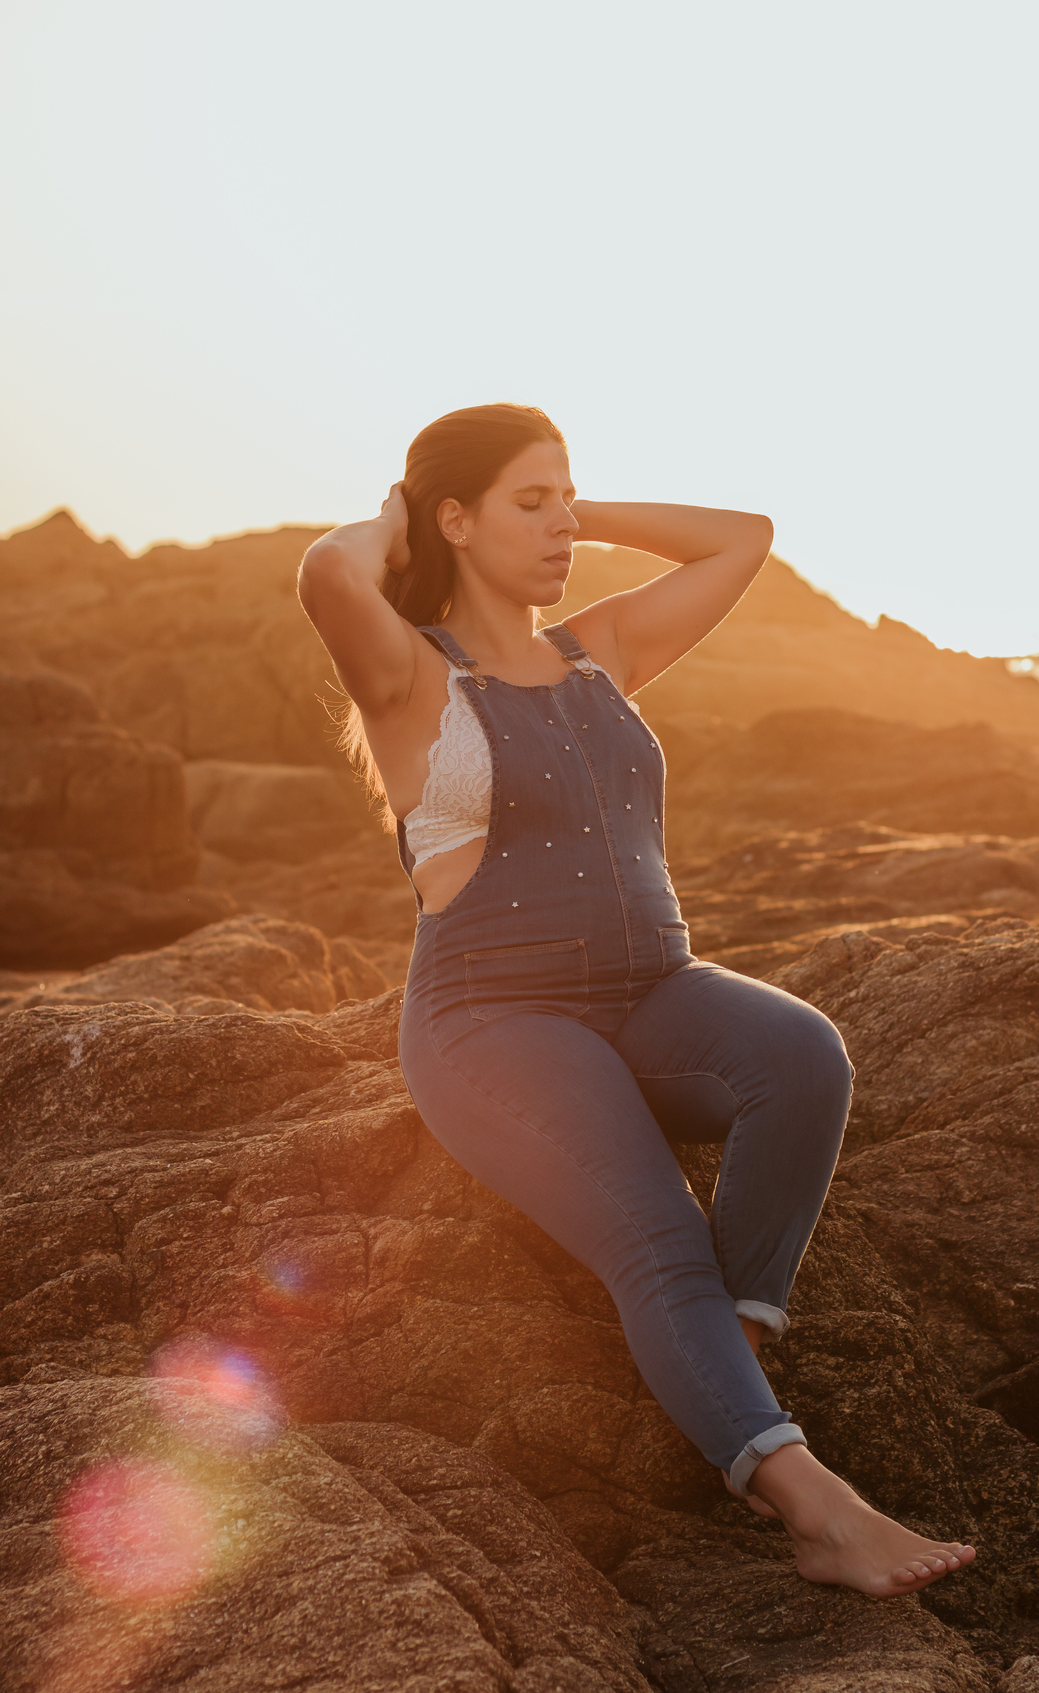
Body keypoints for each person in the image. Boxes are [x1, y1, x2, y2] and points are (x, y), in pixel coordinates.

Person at [298, 402, 976, 1597]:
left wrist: (573, 514)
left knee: (803, 1056)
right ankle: (815, 1509)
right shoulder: (410, 678)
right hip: (496, 1023)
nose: (562, 522)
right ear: (451, 520)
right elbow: (324, 569)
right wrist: (405, 525)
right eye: (531, 500)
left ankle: (738, 1344)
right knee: (655, 1234)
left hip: (651, 992)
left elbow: (742, 538)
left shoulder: (597, 650)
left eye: (569, 496)